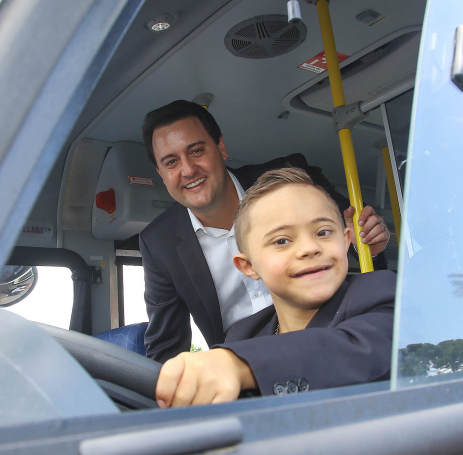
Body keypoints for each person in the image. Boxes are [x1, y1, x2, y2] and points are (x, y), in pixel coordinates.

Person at [140, 100, 391, 362]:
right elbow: (166, 347)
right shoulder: (158, 242)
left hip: (331, 336)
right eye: (171, 162)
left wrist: (369, 244)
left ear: (221, 147)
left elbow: (353, 234)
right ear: (160, 173)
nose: (188, 170)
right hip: (243, 363)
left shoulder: (291, 179)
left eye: (196, 151)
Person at [155, 167, 395, 406]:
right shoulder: (242, 335)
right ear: (249, 266)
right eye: (282, 240)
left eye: (323, 232)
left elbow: (359, 350)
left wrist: (240, 364)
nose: (309, 248)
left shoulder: (380, 293)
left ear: (346, 240)